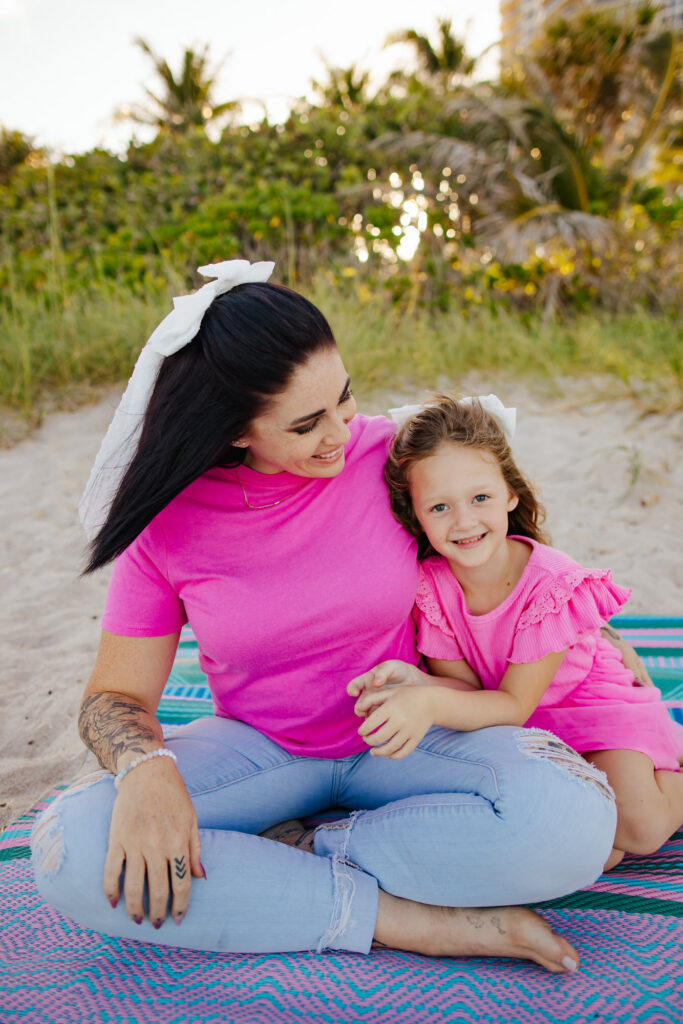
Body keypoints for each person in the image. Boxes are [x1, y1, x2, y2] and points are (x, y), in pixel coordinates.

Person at [31, 260, 619, 973]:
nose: (341, 432)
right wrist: (144, 769)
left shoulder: (390, 459)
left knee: (574, 822)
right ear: (235, 429)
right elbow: (113, 698)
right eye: (306, 424)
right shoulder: (168, 525)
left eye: (344, 400)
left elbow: (498, 548)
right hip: (263, 750)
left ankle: (306, 856)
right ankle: (404, 920)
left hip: (411, 739)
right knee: (72, 845)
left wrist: (593, 639)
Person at [350, 394, 682, 870]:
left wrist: (429, 701)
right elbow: (464, 689)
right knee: (586, 847)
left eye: (480, 498)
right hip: (514, 725)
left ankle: (672, 760)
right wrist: (415, 681)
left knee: (641, 828)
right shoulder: (430, 586)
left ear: (511, 494)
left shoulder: (547, 583)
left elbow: (512, 704)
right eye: (440, 506)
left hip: (590, 708)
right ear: (416, 514)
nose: (464, 521)